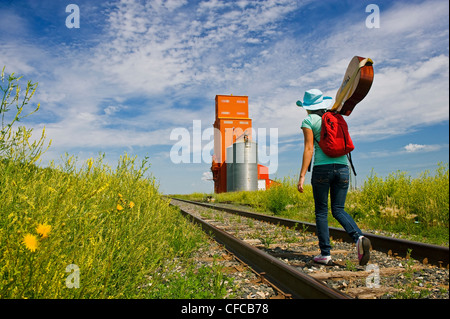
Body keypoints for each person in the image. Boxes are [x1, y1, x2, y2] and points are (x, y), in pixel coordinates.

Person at [296, 89, 371, 266]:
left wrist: (301, 177)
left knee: (321, 211)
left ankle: (325, 254)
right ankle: (359, 237)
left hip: (322, 169)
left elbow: (309, 149)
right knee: (338, 209)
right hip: (343, 168)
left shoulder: (309, 121)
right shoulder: (336, 117)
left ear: (307, 107)